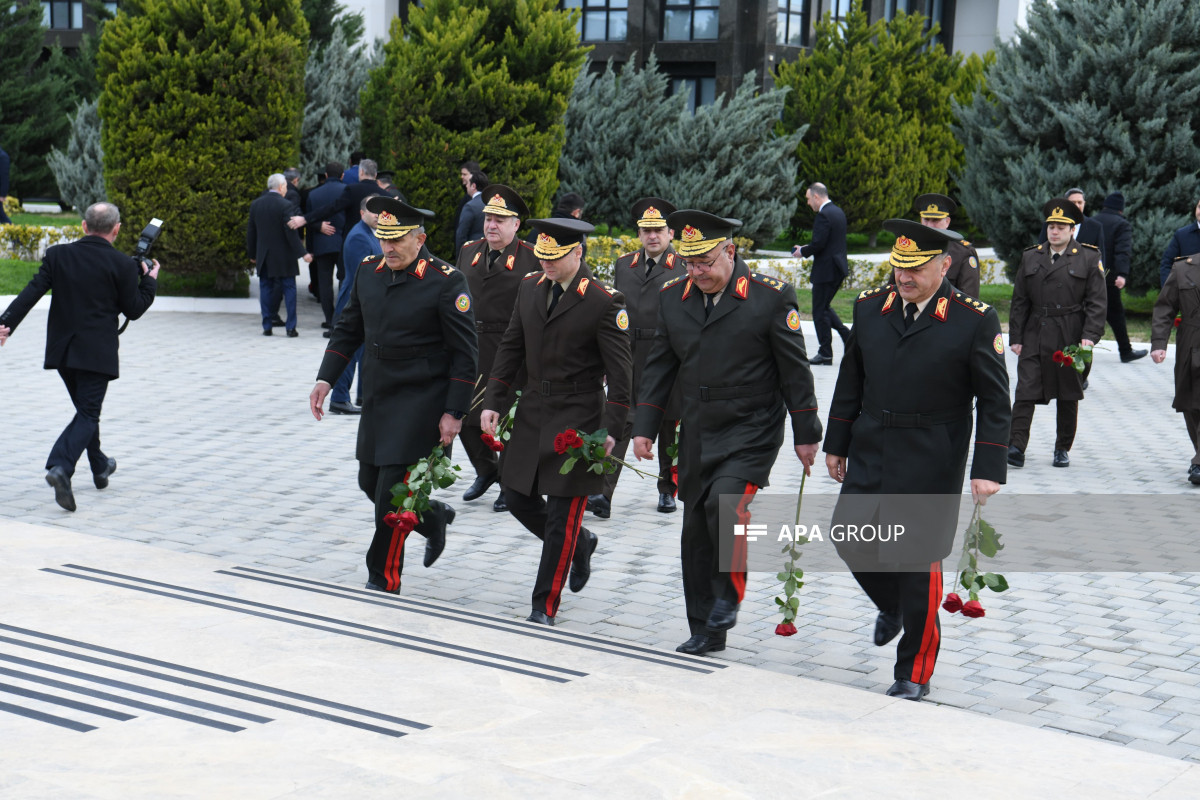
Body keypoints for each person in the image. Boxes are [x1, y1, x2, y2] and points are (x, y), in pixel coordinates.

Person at [824, 219, 1011, 701]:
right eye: (898, 268)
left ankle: (914, 673)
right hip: (872, 445)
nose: (904, 279)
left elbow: (994, 400)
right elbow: (851, 379)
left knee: (915, 560)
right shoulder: (870, 308)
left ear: (944, 265)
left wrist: (988, 468)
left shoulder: (973, 318)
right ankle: (897, 608)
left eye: (916, 269)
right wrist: (836, 442)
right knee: (849, 535)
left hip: (933, 452)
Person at [633, 210, 822, 655]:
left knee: (726, 506)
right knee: (696, 530)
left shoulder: (769, 297)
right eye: (689, 262)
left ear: (730, 252)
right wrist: (644, 427)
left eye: (705, 262)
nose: (696, 272)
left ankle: (729, 595)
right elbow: (660, 366)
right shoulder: (672, 297)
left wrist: (806, 432)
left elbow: (796, 372)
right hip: (698, 426)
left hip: (751, 426)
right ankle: (705, 629)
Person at [310, 197, 478, 595]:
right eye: (383, 239)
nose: (388, 248)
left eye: (397, 240)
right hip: (381, 395)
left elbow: (466, 354)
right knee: (369, 482)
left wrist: (455, 411)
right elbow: (348, 327)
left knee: (392, 495)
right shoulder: (370, 271)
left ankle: (382, 578)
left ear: (420, 238)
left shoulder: (446, 280)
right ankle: (432, 518)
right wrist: (326, 379)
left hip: (423, 401)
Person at [480, 218, 633, 626]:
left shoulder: (604, 301)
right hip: (532, 410)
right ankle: (581, 544)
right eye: (542, 256)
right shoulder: (529, 287)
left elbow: (621, 378)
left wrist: (612, 432)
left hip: (579, 420)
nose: (546, 264)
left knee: (563, 517)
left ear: (578, 253)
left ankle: (543, 605)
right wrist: (493, 400)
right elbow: (511, 347)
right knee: (515, 497)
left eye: (555, 257)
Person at [0, 202, 159, 511]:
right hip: (96, 354)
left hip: (62, 352)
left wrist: (4, 324)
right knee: (88, 413)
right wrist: (150, 279)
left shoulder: (58, 255)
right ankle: (60, 466)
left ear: (84, 227)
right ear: (117, 230)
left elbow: (30, 294)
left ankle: (100, 466)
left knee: (85, 410)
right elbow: (135, 309)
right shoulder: (122, 265)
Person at [595, 197, 685, 519]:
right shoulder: (624, 265)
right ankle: (603, 493)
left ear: (670, 233)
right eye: (646, 230)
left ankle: (667, 489)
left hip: (665, 356)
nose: (652, 236)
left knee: (667, 421)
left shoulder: (684, 266)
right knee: (620, 419)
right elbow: (615, 312)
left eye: (658, 229)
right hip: (628, 354)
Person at [455, 184, 540, 513]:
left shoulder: (531, 256)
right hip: (472, 347)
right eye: (488, 218)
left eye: (499, 220)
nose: (491, 225)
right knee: (465, 415)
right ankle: (486, 469)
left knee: (508, 420)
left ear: (516, 225)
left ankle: (509, 481)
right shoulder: (468, 250)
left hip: (511, 349)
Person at [1008, 199, 1107, 469]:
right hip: (1035, 332)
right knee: (1025, 390)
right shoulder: (1031, 256)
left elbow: (1098, 302)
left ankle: (1062, 448)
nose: (1055, 231)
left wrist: (1090, 336)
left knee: (1068, 394)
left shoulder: (1088, 257)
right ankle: (1016, 446)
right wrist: (1015, 336)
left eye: (1061, 227)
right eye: (1051, 226)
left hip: (1070, 333)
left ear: (1072, 230)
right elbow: (1020, 300)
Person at [327, 193, 384, 416]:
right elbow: (364, 275)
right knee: (349, 354)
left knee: (364, 353)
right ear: (362, 213)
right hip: (353, 303)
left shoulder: (372, 233)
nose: (378, 215)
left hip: (365, 304)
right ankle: (339, 399)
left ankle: (362, 395)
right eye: (373, 211)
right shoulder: (360, 236)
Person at [1151, 253, 1200, 484]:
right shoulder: (1183, 269)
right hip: (1191, 343)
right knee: (1191, 405)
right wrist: (1159, 343)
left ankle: (1199, 462)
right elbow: (1165, 307)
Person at [792, 182, 850, 365]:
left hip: (826, 271)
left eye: (809, 199)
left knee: (819, 311)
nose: (809, 203)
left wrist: (802, 252)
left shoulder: (824, 215)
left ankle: (825, 353)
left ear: (816, 197)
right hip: (837, 268)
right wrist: (806, 248)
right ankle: (848, 338)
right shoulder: (837, 212)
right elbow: (828, 242)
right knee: (824, 307)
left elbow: (819, 244)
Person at [249, 173, 311, 336]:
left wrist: (252, 254)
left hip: (265, 255)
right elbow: (290, 233)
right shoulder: (286, 205)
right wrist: (303, 253)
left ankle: (267, 326)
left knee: (266, 289)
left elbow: (251, 232)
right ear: (281, 187)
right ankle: (290, 328)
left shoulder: (256, 204)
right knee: (289, 289)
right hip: (285, 256)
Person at [1094, 192, 1147, 363]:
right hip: (1108, 277)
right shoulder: (1122, 224)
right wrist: (1122, 274)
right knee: (1116, 315)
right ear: (1121, 209)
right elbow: (1122, 251)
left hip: (1088, 274)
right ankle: (1125, 351)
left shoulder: (1093, 221)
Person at [305, 161, 347, 329]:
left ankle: (329, 319)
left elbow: (308, 220)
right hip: (343, 243)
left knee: (324, 283)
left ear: (326, 176)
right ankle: (341, 318)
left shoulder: (313, 194)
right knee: (344, 280)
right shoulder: (347, 191)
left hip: (322, 243)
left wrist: (310, 248)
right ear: (342, 175)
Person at [914, 193, 980, 298]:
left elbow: (969, 299)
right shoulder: (910, 248)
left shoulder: (963, 253)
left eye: (936, 220)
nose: (930, 225)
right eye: (926, 219)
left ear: (947, 222)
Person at [1039, 188, 1106, 262]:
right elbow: (1041, 251)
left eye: (1080, 203)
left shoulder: (1095, 227)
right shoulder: (1050, 224)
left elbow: (1100, 257)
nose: (1077, 206)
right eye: (1073, 203)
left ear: (1084, 204)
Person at [1159, 197, 1200, 287]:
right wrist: (1168, 290)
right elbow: (1167, 264)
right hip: (1188, 296)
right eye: (1199, 207)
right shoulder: (1182, 235)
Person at [454, 170, 487, 256]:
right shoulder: (492, 204)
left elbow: (461, 235)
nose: (466, 186)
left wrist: (460, 258)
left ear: (473, 186)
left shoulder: (470, 206)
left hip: (472, 253)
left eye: (468, 183)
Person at [0, 145, 11, 225]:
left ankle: (15, 237)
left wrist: (2, 194)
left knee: (2, 216)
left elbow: (4, 177)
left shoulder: (3, 156)